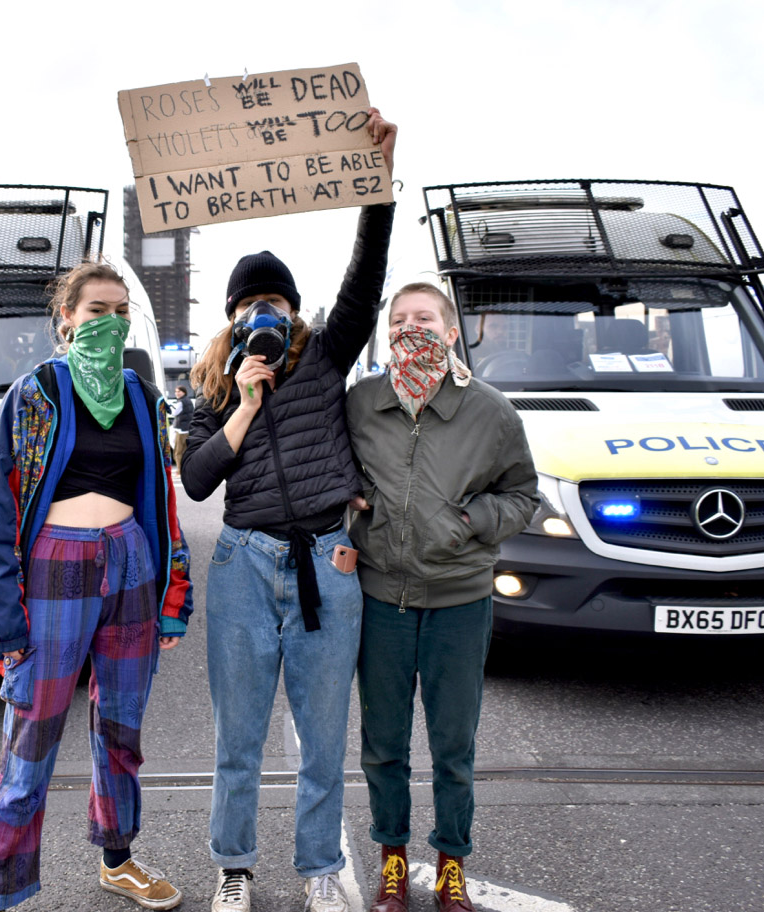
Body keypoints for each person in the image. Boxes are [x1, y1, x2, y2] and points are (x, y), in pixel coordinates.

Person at [180, 107, 397, 912]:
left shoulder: (325, 356)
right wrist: (242, 399)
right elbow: (198, 481)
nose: (264, 314)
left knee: (321, 742)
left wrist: (377, 184)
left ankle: (317, 872)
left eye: (276, 302)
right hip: (244, 564)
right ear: (232, 314)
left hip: (325, 563)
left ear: (294, 310)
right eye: (251, 304)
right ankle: (234, 870)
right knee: (236, 741)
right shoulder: (209, 384)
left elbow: (366, 277)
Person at [0, 261, 194, 912]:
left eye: (121, 312)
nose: (111, 323)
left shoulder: (142, 398)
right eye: (97, 311)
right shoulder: (32, 395)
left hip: (132, 565)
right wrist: (1, 615)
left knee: (121, 729)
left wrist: (174, 594)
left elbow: (161, 500)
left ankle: (118, 861)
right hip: (54, 568)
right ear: (65, 318)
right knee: (31, 734)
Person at [345, 283, 538, 912]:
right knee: (383, 746)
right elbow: (336, 472)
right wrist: (352, 512)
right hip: (382, 600)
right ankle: (393, 862)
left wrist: (471, 521)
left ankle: (452, 863)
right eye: (398, 320)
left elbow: (523, 497)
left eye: (424, 318)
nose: (410, 328)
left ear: (451, 333)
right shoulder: (361, 403)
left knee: (454, 745)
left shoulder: (490, 412)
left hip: (459, 600)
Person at [171, 385, 194, 466]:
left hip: (181, 430)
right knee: (185, 450)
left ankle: (180, 470)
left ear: (183, 392)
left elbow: (174, 413)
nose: (177, 393)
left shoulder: (181, 402)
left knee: (178, 452)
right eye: (176, 391)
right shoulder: (188, 400)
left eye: (179, 391)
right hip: (187, 429)